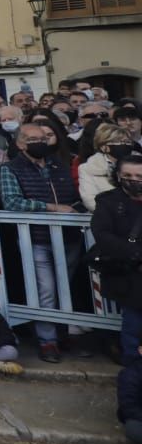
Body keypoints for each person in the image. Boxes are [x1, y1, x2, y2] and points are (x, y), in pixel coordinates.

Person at [0, 122, 84, 362]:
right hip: (37, 238)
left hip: (69, 237)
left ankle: (65, 333)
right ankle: (48, 341)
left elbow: (75, 196)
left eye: (43, 139)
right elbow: (13, 203)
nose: (40, 143)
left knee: (66, 287)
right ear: (20, 143)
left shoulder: (60, 165)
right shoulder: (11, 168)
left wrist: (73, 210)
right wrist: (52, 208)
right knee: (45, 290)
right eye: (32, 139)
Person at [91, 152, 142, 365]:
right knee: (134, 328)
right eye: (128, 175)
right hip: (130, 274)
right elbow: (102, 235)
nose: (134, 180)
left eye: (139, 176)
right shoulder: (108, 201)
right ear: (118, 176)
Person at [80, 122, 136, 212]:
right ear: (104, 147)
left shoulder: (138, 163)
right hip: (108, 217)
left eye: (127, 142)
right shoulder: (88, 168)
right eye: (119, 142)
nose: (125, 145)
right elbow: (89, 199)